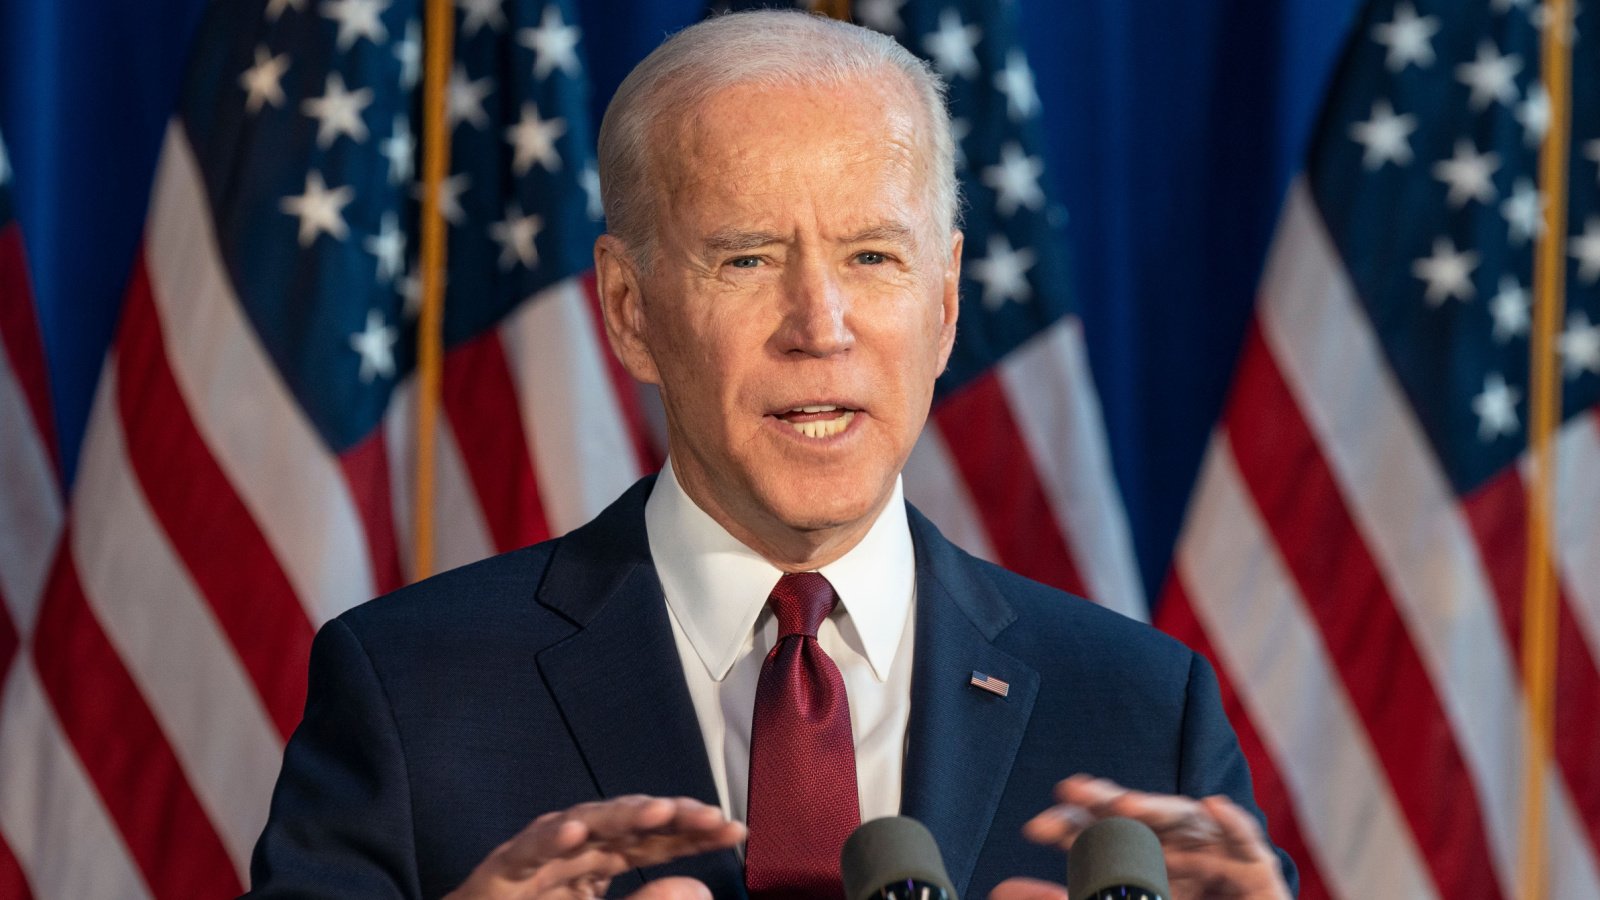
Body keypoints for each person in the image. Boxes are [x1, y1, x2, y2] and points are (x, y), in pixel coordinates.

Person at [246, 10, 1297, 900]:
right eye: (746, 258)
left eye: (872, 257)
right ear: (628, 310)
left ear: (941, 306)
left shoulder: (1141, 711)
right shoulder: (412, 693)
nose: (820, 324)